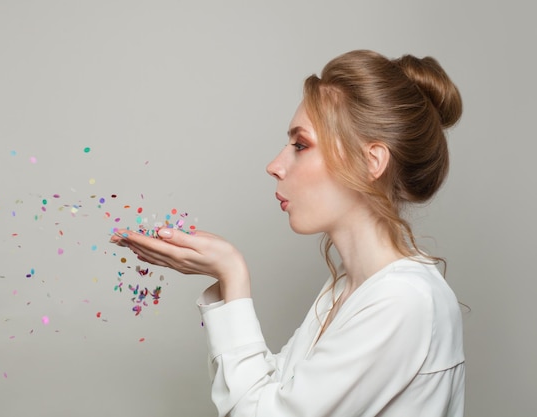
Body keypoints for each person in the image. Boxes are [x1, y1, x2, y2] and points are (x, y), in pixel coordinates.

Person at [110, 49, 465, 417]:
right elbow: (269, 394)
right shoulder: (346, 290)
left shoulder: (402, 301)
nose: (275, 166)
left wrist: (233, 274)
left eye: (301, 145)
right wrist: (225, 275)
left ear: (370, 162)